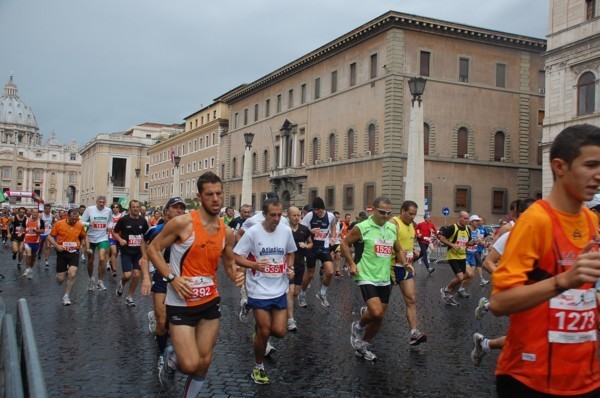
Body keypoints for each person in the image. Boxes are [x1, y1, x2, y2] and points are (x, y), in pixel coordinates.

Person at [489, 124, 600, 397]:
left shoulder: (591, 220)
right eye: (590, 165)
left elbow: (585, 294)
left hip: (585, 378)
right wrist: (564, 281)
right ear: (560, 167)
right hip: (531, 379)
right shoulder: (536, 221)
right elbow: (499, 303)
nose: (598, 176)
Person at [146, 172, 239, 397]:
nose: (215, 199)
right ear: (199, 197)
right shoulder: (183, 223)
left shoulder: (226, 232)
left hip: (209, 302)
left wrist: (238, 273)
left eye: (219, 193)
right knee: (189, 364)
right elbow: (152, 250)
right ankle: (170, 359)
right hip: (181, 304)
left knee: (204, 361)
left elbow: (229, 263)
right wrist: (171, 278)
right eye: (209, 194)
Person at [234, 197, 296, 384]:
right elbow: (237, 256)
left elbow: (291, 252)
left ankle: (259, 333)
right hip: (258, 289)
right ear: (264, 214)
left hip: (279, 288)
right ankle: (258, 367)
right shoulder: (253, 232)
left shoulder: (285, 231)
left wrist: (290, 267)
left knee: (279, 331)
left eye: (279, 215)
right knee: (265, 328)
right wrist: (254, 264)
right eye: (273, 215)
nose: (277, 219)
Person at [341, 196, 398, 361]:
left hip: (384, 276)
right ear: (373, 210)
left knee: (379, 317)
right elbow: (344, 243)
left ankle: (363, 345)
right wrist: (351, 263)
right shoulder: (362, 227)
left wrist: (404, 260)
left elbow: (398, 247)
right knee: (377, 312)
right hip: (365, 274)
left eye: (388, 213)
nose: (385, 216)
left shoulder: (392, 228)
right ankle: (358, 327)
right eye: (382, 212)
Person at [145, 196, 186, 372]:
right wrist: (147, 276)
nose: (179, 211)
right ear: (166, 211)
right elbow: (145, 245)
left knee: (175, 323)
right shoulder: (156, 230)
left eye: (181, 208)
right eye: (175, 208)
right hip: (162, 278)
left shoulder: (189, 231)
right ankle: (162, 356)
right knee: (162, 323)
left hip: (182, 280)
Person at [388, 200, 427, 345]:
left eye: (415, 214)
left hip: (405, 267)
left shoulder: (411, 225)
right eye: (410, 214)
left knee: (411, 299)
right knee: (380, 306)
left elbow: (407, 243)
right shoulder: (393, 223)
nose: (412, 217)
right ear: (402, 211)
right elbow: (387, 242)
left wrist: (413, 253)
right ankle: (367, 314)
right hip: (390, 267)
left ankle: (414, 333)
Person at [47, 208, 90, 305]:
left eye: (76, 219)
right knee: (60, 279)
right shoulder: (59, 224)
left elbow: (84, 236)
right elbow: (49, 237)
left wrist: (85, 246)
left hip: (74, 252)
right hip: (62, 252)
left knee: (72, 274)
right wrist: (57, 246)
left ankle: (66, 296)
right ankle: (61, 275)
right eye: (72, 219)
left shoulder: (79, 225)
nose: (74, 221)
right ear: (68, 216)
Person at [299, 197, 337, 307]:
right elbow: (301, 229)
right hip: (312, 248)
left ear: (323, 208)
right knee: (310, 274)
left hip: (324, 247)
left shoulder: (330, 216)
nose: (316, 212)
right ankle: (302, 294)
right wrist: (310, 231)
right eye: (314, 210)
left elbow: (333, 225)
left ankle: (322, 293)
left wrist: (333, 237)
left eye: (318, 210)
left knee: (330, 272)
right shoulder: (309, 216)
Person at [112, 200, 149, 307]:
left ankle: (129, 297)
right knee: (127, 275)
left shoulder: (143, 221)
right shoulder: (124, 220)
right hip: (126, 251)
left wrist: (145, 253)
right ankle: (122, 283)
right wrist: (120, 240)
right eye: (133, 207)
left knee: (137, 275)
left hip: (138, 252)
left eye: (137, 207)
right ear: (130, 208)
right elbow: (114, 232)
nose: (136, 209)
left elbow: (145, 236)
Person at [438, 211, 475, 306]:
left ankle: (451, 296)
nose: (466, 221)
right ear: (459, 217)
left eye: (467, 219)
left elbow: (468, 242)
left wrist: (476, 242)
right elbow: (442, 238)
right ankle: (445, 289)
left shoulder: (468, 229)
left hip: (462, 256)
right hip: (452, 256)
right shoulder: (452, 228)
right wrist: (452, 245)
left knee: (460, 279)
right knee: (460, 277)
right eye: (465, 218)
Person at [286, 206, 312, 331]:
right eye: (294, 215)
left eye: (298, 215)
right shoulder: (284, 230)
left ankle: (286, 306)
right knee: (290, 292)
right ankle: (290, 320)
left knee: (296, 292)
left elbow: (311, 243)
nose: (296, 218)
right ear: (288, 216)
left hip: (300, 265)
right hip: (288, 265)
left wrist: (306, 245)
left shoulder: (304, 229)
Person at [81, 195, 112, 291]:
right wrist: (88, 223)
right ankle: (90, 279)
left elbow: (110, 221)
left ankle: (100, 281)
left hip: (102, 237)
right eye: (100, 202)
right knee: (90, 261)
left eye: (103, 202)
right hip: (90, 238)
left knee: (102, 259)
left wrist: (109, 226)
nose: (102, 204)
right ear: (96, 202)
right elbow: (81, 222)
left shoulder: (108, 210)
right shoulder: (90, 209)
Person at [465, 215, 489, 286]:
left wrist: (484, 244)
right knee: (469, 274)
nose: (478, 222)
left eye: (479, 221)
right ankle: (457, 282)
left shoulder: (478, 231)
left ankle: (461, 288)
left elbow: (480, 241)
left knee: (471, 275)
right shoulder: (466, 229)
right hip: (465, 254)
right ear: (471, 222)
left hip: (473, 253)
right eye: (476, 221)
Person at [22, 208, 44, 279]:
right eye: (33, 212)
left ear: (38, 213)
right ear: (31, 212)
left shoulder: (41, 221)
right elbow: (23, 228)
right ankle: (27, 269)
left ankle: (30, 270)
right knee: (28, 255)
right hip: (27, 241)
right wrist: (21, 233)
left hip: (36, 242)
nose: (35, 214)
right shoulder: (26, 220)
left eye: (36, 212)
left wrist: (36, 230)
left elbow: (42, 231)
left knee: (33, 257)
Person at [107, 203, 124, 277]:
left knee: (116, 254)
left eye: (117, 207)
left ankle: (110, 262)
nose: (115, 209)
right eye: (113, 207)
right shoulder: (109, 217)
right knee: (114, 252)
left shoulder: (122, 216)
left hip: (120, 237)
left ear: (119, 208)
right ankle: (114, 270)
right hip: (111, 236)